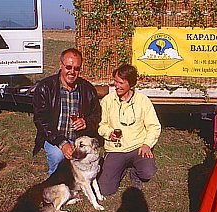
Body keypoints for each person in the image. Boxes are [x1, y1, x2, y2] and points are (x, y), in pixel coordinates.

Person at [32, 48, 101, 175]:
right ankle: (56, 179)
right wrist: (62, 143)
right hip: (54, 137)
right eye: (68, 67)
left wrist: (87, 122)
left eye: (76, 68)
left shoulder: (87, 89)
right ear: (61, 65)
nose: (72, 72)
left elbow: (97, 114)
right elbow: (41, 120)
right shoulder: (45, 87)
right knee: (58, 156)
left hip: (79, 138)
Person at [98, 64, 161, 196]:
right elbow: (101, 125)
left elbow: (154, 126)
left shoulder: (143, 101)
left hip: (138, 147)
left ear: (131, 84)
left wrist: (147, 144)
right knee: (105, 190)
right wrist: (109, 133)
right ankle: (120, 168)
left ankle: (135, 173)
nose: (116, 85)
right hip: (116, 149)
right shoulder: (107, 101)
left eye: (121, 83)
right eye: (115, 81)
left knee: (147, 172)